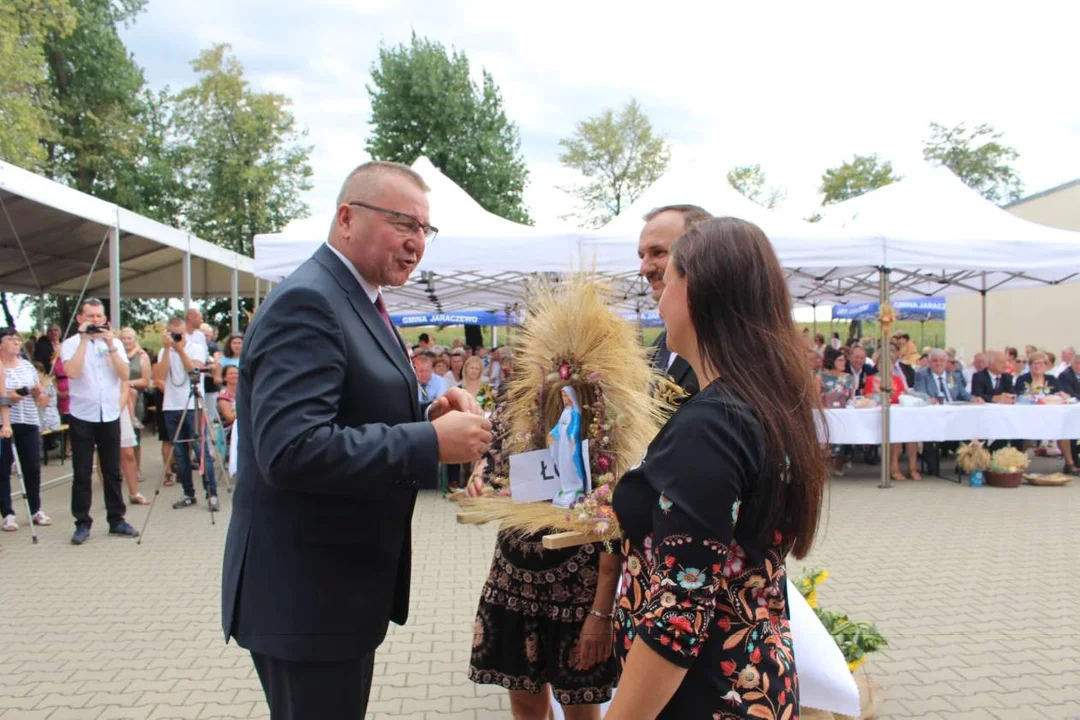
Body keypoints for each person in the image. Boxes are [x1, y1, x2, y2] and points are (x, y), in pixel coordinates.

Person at [221, 160, 492, 719]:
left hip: (333, 594)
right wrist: (427, 443)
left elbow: (352, 403)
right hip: (306, 600)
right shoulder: (311, 302)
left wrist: (429, 412)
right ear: (347, 218)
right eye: (403, 223)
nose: (417, 243)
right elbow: (290, 450)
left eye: (424, 229)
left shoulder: (354, 295)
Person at [606, 217, 826, 719]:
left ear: (696, 291)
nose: (658, 298)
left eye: (668, 279)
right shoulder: (766, 403)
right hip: (752, 677)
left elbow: (678, 618)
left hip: (703, 694)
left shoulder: (712, 424)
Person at [465, 374, 619, 720]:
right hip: (513, 581)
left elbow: (616, 520)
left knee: (580, 707)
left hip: (579, 590)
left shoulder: (605, 405)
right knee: (526, 706)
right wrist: (479, 475)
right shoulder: (518, 398)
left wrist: (601, 611)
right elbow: (489, 458)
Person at [59, 298, 139, 544]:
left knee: (112, 470)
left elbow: (125, 375)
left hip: (110, 413)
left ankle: (117, 519)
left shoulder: (113, 343)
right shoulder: (71, 344)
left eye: (99, 316)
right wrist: (84, 339)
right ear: (81, 319)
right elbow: (71, 371)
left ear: (105, 319)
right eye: (90, 316)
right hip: (83, 414)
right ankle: (82, 523)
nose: (95, 320)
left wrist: (111, 345)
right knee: (82, 472)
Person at [638, 204, 713, 399]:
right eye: (642, 255)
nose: (644, 268)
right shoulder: (660, 344)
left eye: (658, 252)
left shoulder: (730, 347)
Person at [156, 316, 217, 511]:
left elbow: (194, 370)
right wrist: (167, 349)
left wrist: (180, 348)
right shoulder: (163, 351)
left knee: (201, 451)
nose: (176, 336)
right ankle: (188, 493)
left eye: (179, 333)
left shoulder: (195, 347)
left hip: (193, 405)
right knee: (180, 454)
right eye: (172, 333)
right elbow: (160, 375)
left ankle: (212, 493)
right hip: (171, 406)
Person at [1, 327, 52, 531]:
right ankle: (7, 512)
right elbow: (4, 396)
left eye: (17, 339)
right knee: (3, 468)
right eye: (11, 339)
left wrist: (40, 393)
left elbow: (42, 397)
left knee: (32, 466)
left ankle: (35, 509)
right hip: (5, 422)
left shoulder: (27, 366)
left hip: (29, 420)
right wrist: (12, 395)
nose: (16, 343)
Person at [120, 328, 151, 478]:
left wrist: (127, 383)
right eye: (123, 338)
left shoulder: (142, 357)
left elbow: (145, 381)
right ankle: (120, 469)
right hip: (119, 398)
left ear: (135, 339)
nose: (126, 341)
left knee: (135, 436)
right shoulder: (117, 354)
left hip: (136, 398)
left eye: (129, 338)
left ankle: (136, 469)